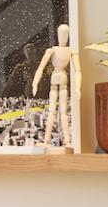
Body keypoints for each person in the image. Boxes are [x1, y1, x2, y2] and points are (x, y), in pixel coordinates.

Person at [32, 24, 81, 152]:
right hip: (57, 82)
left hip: (61, 82)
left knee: (61, 112)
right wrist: (35, 84)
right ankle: (49, 141)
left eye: (65, 33)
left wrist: (78, 87)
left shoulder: (69, 51)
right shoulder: (54, 50)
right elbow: (41, 68)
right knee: (54, 111)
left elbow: (78, 71)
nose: (63, 36)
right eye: (62, 33)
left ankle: (67, 141)